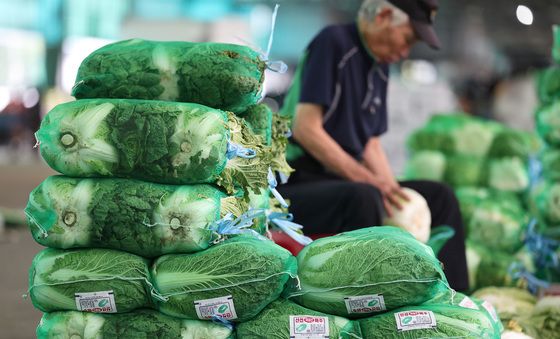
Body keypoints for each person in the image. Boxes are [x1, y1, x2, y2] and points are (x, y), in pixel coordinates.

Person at [278, 0, 469, 292]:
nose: (405, 52)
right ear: (383, 15)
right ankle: (375, 302)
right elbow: (306, 128)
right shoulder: (334, 43)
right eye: (407, 39)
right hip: (297, 183)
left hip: (343, 182)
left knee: (439, 197)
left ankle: (455, 300)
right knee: (365, 196)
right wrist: (372, 182)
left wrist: (393, 189)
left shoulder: (378, 66)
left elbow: (370, 144)